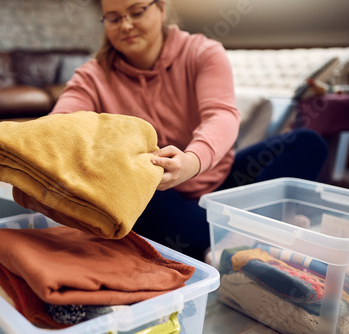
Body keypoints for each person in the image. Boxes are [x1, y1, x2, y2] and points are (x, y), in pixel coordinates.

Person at [50, 0, 328, 260]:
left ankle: (236, 236)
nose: (125, 25)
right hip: (160, 195)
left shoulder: (202, 52)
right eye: (112, 18)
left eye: (136, 12)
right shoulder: (92, 76)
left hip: (221, 184)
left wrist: (191, 162)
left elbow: (221, 115)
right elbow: (60, 125)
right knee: (127, 200)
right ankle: (260, 229)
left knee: (308, 143)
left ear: (161, 8)